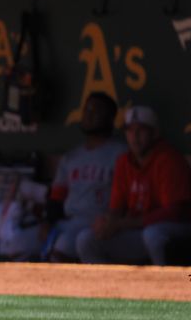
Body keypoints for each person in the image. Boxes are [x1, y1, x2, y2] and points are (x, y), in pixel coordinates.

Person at [76, 106, 191, 265]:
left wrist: (122, 223)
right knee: (87, 239)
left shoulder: (169, 160)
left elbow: (174, 213)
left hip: (176, 231)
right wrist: (107, 221)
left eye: (141, 130)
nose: (135, 137)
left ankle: (166, 286)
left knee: (153, 234)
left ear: (155, 133)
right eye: (130, 131)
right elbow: (116, 207)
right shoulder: (124, 161)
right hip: (140, 232)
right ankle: (109, 289)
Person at [43, 92, 126, 262]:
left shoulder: (121, 154)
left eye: (96, 111)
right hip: (69, 221)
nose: (89, 115)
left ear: (110, 118)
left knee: (63, 247)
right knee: (20, 241)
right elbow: (57, 196)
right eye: (87, 110)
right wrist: (48, 221)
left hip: (99, 222)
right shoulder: (71, 157)